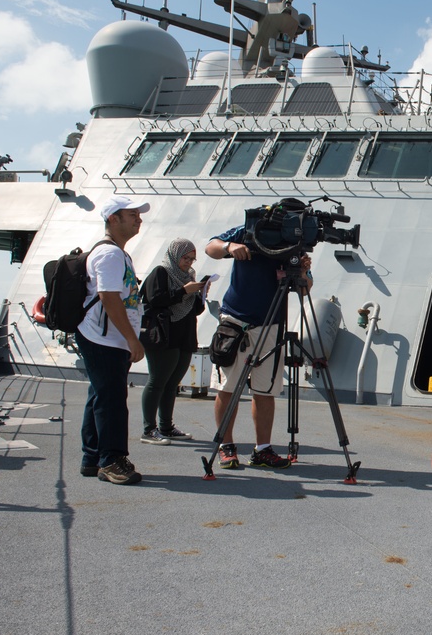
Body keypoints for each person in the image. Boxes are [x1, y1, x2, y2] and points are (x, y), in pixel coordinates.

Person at [203, 226, 312, 470]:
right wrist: (230, 247)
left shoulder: (295, 246)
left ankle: (263, 449)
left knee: (265, 390)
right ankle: (226, 446)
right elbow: (211, 246)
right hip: (236, 321)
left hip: (271, 324)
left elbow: (305, 290)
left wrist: (302, 271)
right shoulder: (249, 230)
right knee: (227, 386)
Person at [76, 196, 149, 485]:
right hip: (105, 338)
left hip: (107, 337)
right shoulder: (109, 255)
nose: (138, 219)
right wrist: (133, 339)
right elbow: (108, 297)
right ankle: (111, 460)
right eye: (131, 215)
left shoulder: (119, 254)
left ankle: (92, 457)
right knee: (112, 400)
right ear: (113, 220)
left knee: (100, 395)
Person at [139, 238, 206, 445]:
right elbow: (156, 299)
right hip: (163, 334)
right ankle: (149, 429)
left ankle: (166, 426)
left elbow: (195, 310)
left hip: (184, 334)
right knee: (157, 380)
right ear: (175, 255)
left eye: (192, 259)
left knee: (172, 382)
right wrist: (185, 291)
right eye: (185, 258)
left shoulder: (189, 277)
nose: (188, 263)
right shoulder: (161, 272)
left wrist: (200, 295)